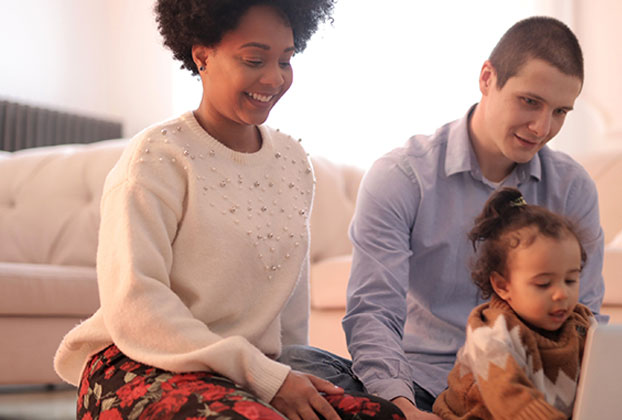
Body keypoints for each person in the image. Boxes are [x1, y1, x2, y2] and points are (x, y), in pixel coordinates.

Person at [52, 1, 404, 419]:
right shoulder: (156, 159)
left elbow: (288, 308)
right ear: (202, 56)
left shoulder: (293, 161)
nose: (274, 78)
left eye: (286, 60)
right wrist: (259, 373)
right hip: (138, 363)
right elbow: (135, 305)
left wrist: (284, 375)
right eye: (255, 59)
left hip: (245, 372)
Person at [279, 16, 605, 420]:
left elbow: (586, 315)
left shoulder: (572, 187)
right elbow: (374, 312)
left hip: (523, 396)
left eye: (560, 111)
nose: (542, 127)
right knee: (293, 363)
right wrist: (402, 408)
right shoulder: (402, 176)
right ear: (487, 78)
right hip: (419, 387)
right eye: (530, 101)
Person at [432, 187, 595, 420]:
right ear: (503, 286)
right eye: (543, 284)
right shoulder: (491, 335)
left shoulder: (581, 324)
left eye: (571, 280)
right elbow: (512, 402)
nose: (561, 294)